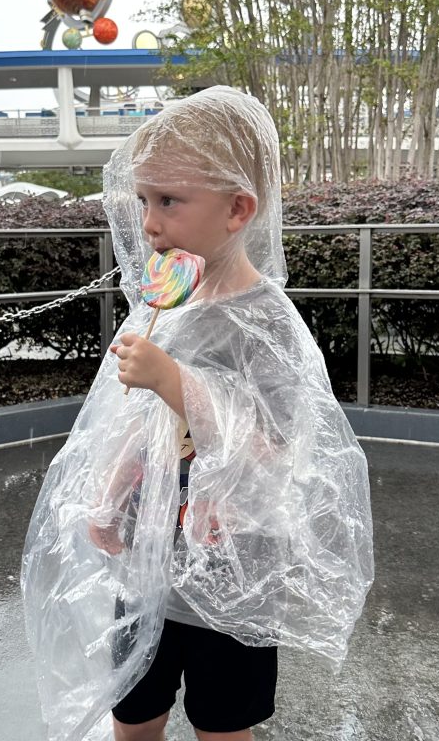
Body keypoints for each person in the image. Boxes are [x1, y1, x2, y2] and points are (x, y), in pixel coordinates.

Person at [21, 86, 373, 741]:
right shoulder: (168, 303)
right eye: (143, 200)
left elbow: (277, 448)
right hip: (149, 563)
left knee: (223, 722)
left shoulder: (266, 321)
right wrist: (114, 487)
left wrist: (173, 378)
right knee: (134, 709)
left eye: (170, 202)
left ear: (238, 209)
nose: (150, 223)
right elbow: (144, 428)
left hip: (229, 573)